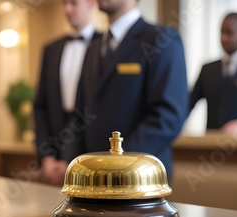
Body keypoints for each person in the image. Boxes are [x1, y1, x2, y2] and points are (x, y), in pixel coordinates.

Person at [76, 0, 188, 179]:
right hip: (93, 178)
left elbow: (168, 117)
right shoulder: (93, 47)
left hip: (141, 178)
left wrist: (119, 164)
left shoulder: (162, 38)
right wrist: (72, 162)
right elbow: (80, 112)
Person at [34, 0, 100, 185]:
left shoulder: (105, 45)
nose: (67, 9)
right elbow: (41, 106)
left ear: (91, 4)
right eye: (64, 3)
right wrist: (46, 156)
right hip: (55, 144)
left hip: (93, 151)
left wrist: (70, 161)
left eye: (73, 3)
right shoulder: (50, 49)